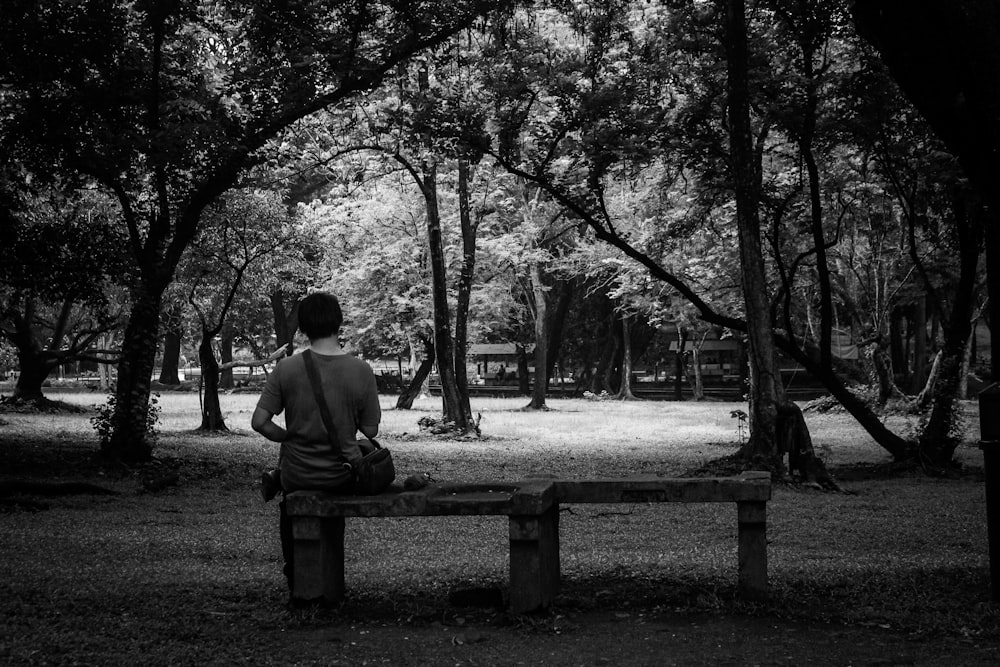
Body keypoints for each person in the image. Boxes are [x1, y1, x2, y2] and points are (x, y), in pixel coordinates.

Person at [251, 291, 381, 594]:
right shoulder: (360, 370)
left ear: (302, 328)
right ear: (339, 323)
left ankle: (298, 573)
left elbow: (259, 422)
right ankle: (328, 578)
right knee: (336, 490)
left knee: (292, 503)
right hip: (341, 473)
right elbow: (371, 427)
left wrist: (288, 436)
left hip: (297, 474)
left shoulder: (286, 368)